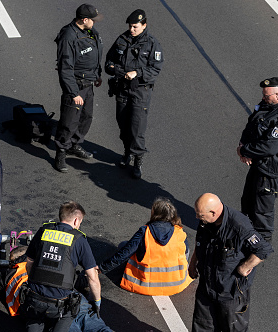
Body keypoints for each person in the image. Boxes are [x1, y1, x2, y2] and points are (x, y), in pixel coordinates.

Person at [182, 193, 273, 332]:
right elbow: (200, 244)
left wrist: (245, 267)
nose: (198, 219)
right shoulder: (206, 223)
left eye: (201, 215)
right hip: (208, 281)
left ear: (214, 212)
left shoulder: (239, 225)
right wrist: (193, 264)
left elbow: (262, 250)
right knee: (203, 322)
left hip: (231, 288)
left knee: (233, 326)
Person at [22, 201, 101, 332]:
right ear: (75, 221)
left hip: (34, 295)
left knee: (33, 315)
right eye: (80, 222)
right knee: (69, 311)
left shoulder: (44, 230)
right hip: (58, 301)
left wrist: (35, 280)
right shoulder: (78, 239)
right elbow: (92, 277)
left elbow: (29, 262)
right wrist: (97, 301)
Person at [238, 77, 278, 242]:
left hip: (269, 169)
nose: (263, 98)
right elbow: (253, 123)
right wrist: (243, 143)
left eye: (266, 95)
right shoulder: (269, 104)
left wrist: (245, 150)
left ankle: (260, 246)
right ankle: (245, 233)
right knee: (248, 200)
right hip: (258, 162)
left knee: (262, 210)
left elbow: (270, 147)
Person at [105, 9, 163, 179]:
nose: (132, 29)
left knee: (137, 127)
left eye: (135, 27)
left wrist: (137, 73)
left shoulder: (152, 44)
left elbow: (155, 68)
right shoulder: (122, 40)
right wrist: (116, 70)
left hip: (140, 91)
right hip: (122, 88)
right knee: (123, 123)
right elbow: (109, 61)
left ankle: (138, 160)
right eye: (130, 26)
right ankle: (126, 152)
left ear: (144, 25)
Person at [100, 197, 193, 296]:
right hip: (175, 284)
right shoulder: (179, 231)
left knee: (123, 245)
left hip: (145, 285)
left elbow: (123, 254)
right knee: (185, 249)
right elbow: (185, 253)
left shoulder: (145, 231)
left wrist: (101, 268)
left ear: (155, 214)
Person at [53, 4, 103, 173]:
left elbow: (95, 54)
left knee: (86, 118)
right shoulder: (68, 36)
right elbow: (65, 68)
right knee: (69, 121)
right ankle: (61, 152)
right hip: (76, 86)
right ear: (84, 19)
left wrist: (97, 75)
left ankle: (75, 145)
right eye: (93, 20)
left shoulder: (89, 31)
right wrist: (73, 93)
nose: (95, 23)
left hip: (89, 84)